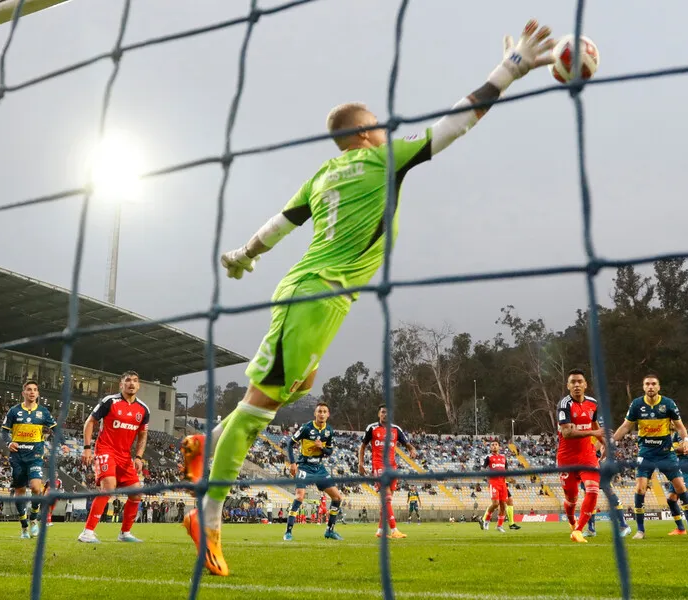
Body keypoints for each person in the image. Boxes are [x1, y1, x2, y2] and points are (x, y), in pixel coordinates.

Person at [178, 18, 556, 577]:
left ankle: (201, 443)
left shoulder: (323, 174)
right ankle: (207, 517)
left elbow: (278, 225)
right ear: (362, 133)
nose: (384, 129)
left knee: (296, 385)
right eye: (376, 123)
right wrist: (510, 69)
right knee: (259, 410)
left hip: (314, 295)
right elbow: (455, 125)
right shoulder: (381, 160)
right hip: (316, 297)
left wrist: (241, 255)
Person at [611, 374, 688, 540]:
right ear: (643, 387)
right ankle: (640, 530)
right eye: (647, 384)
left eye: (653, 384)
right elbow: (625, 426)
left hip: (666, 453)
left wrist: (686, 440)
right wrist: (611, 442)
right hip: (646, 453)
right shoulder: (637, 404)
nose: (650, 386)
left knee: (681, 488)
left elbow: (680, 426)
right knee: (640, 488)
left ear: (659, 387)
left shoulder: (668, 404)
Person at [78, 371, 149, 543]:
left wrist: (138, 457)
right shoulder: (110, 401)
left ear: (139, 385)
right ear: (121, 384)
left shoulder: (143, 409)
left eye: (135, 380)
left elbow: (143, 434)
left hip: (125, 456)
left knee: (136, 494)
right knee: (109, 487)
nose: (131, 383)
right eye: (128, 380)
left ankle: (125, 533)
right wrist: (87, 448)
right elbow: (90, 422)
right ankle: (87, 532)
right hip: (106, 450)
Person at [0, 379, 56, 539]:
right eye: (29, 389)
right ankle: (24, 526)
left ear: (38, 393)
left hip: (35, 455)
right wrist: (9, 443)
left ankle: (33, 518)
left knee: (36, 488)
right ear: (23, 393)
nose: (32, 392)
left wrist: (63, 442)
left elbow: (56, 428)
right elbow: (4, 431)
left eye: (35, 390)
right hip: (17, 456)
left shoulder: (43, 412)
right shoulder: (14, 411)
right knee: (20, 492)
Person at [281, 402, 343, 541]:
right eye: (319, 411)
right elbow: (290, 443)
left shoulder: (329, 431)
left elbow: (330, 451)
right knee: (299, 497)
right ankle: (288, 531)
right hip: (304, 466)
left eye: (324, 411)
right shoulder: (306, 428)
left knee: (337, 498)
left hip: (319, 468)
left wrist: (322, 448)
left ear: (328, 414)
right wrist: (293, 463)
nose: (322, 414)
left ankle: (330, 531)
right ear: (315, 413)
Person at [556, 369, 604, 544]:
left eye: (579, 382)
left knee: (592, 490)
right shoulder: (564, 405)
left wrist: (604, 442)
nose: (576, 385)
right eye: (573, 382)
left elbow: (595, 424)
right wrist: (594, 433)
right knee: (571, 499)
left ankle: (578, 531)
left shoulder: (592, 403)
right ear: (568, 386)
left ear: (585, 385)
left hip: (587, 456)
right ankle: (572, 522)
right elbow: (567, 433)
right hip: (567, 459)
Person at [359, 405, 418, 539]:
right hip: (378, 466)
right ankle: (394, 530)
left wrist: (412, 450)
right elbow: (362, 447)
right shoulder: (372, 428)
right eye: (383, 412)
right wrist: (360, 463)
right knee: (386, 498)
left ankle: (380, 531)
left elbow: (407, 444)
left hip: (392, 467)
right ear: (379, 414)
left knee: (387, 501)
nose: (385, 414)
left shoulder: (396, 429)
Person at [586, 415, 632, 538]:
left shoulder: (603, 438)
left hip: (599, 467)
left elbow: (601, 449)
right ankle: (591, 529)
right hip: (591, 467)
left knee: (608, 493)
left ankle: (624, 525)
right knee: (590, 496)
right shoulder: (593, 435)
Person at [479, 440, 509, 532]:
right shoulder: (488, 457)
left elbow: (506, 470)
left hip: (503, 483)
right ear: (490, 447)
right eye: (492, 445)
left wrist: (508, 480)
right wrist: (487, 474)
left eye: (496, 444)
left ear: (499, 446)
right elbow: (482, 468)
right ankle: (486, 521)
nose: (494, 446)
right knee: (495, 504)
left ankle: (499, 526)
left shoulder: (503, 457)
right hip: (494, 483)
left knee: (503, 505)